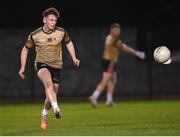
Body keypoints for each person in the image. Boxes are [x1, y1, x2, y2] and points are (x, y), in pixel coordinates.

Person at [18, 7, 80, 129]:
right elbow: (25, 49)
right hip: (41, 64)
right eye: (51, 20)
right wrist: (22, 67)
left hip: (57, 66)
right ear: (44, 20)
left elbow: (69, 42)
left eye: (55, 20)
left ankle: (44, 113)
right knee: (48, 84)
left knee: (51, 94)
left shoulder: (61, 32)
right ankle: (56, 108)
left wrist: (74, 57)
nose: (53, 23)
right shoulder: (35, 35)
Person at [89, 23, 145, 107]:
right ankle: (94, 96)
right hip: (110, 62)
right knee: (105, 80)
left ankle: (109, 100)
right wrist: (137, 53)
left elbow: (111, 44)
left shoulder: (110, 37)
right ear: (111, 30)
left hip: (107, 61)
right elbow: (125, 48)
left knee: (113, 79)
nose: (117, 31)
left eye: (118, 29)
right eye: (115, 29)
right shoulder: (114, 39)